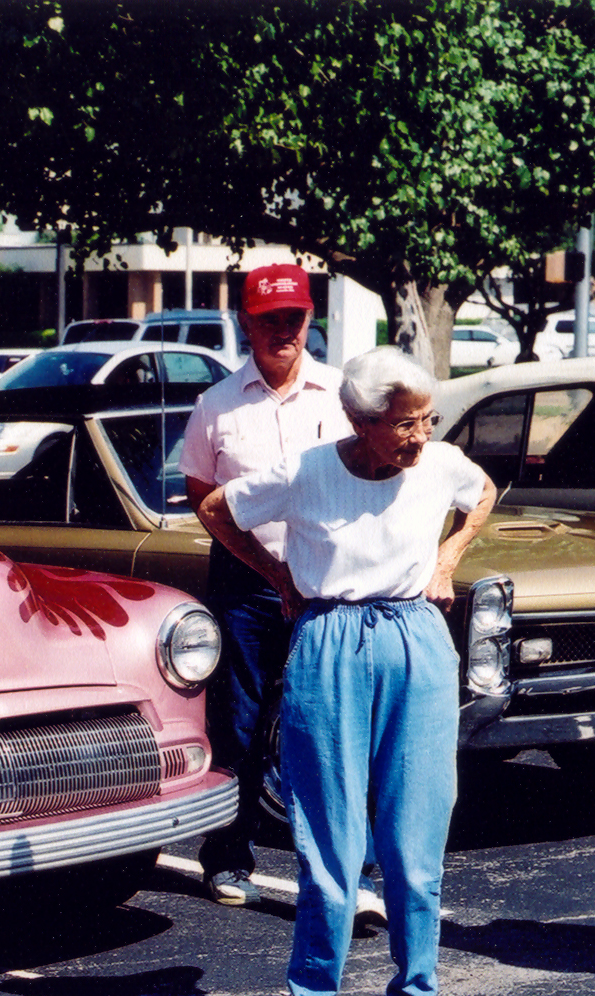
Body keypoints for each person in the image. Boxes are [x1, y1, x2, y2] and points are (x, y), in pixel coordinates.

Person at [197, 347, 496, 996]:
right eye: (402, 425)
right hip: (327, 641)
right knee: (329, 841)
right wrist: (276, 575)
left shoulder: (438, 462)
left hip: (415, 641)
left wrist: (448, 558)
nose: (418, 437)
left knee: (412, 835)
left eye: (426, 420)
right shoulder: (307, 472)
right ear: (359, 422)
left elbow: (481, 490)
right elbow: (214, 508)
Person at [179, 264, 378, 914]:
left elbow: (365, 483)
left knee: (325, 728)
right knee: (237, 728)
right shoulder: (215, 406)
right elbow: (205, 504)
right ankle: (226, 860)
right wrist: (272, 575)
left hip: (325, 586)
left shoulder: (336, 398)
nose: (281, 332)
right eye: (268, 320)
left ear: (308, 320)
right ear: (245, 322)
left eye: (292, 319)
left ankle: (348, 873)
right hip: (245, 586)